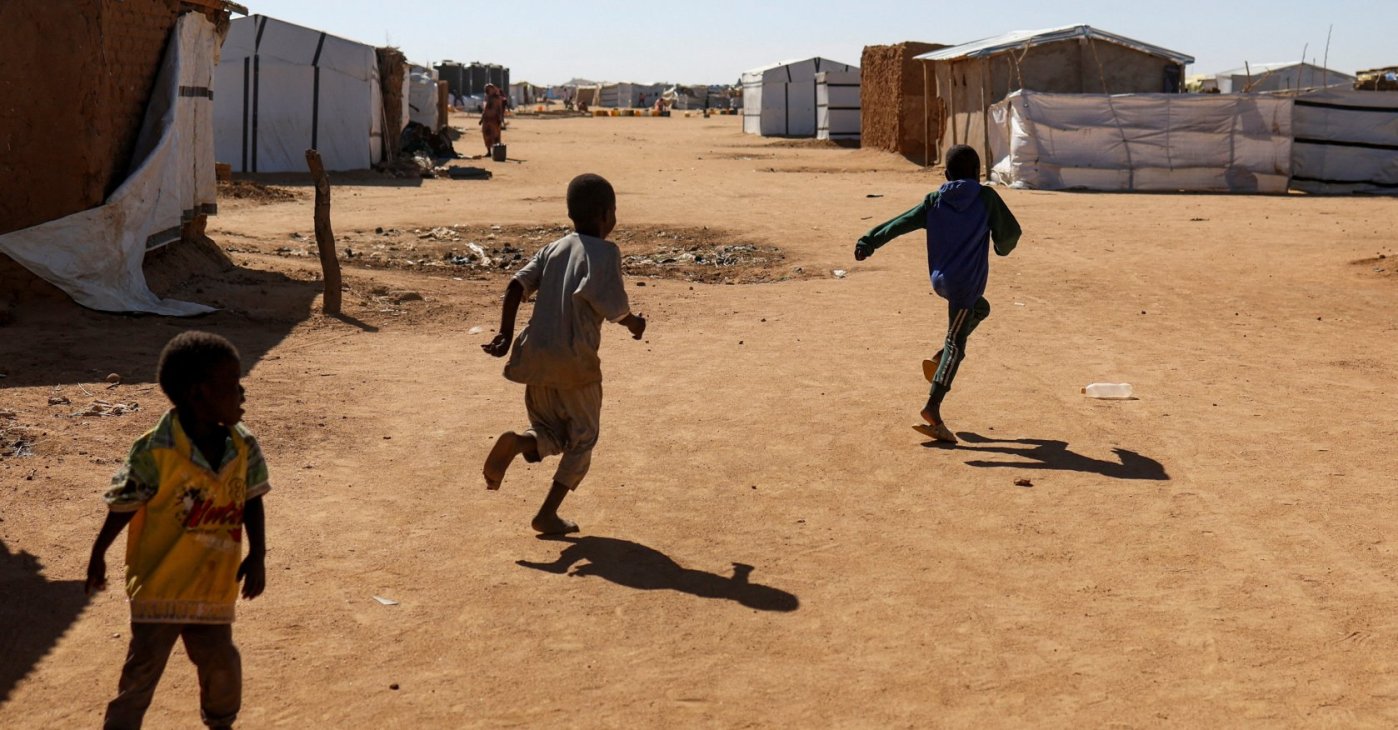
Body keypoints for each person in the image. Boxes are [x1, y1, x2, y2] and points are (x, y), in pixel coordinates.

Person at [85, 331, 270, 729]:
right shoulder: (154, 451)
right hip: (159, 588)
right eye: (232, 384)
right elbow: (124, 504)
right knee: (142, 672)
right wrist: (98, 553)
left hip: (211, 587)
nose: (243, 393)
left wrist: (259, 555)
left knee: (221, 664)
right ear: (200, 395)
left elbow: (252, 499)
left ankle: (222, 722)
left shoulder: (243, 446)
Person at [481, 173, 647, 534]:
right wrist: (635, 325)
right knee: (583, 439)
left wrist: (505, 335)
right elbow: (615, 308)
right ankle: (546, 514)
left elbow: (515, 287)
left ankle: (520, 442)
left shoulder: (553, 249)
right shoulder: (605, 253)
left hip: (536, 361)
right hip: (576, 366)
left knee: (549, 431)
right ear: (606, 216)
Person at [853, 145, 1022, 444]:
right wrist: (999, 247)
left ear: (945, 175)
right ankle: (933, 407)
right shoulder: (985, 197)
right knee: (957, 344)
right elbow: (1010, 234)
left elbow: (900, 222)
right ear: (978, 174)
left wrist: (869, 241)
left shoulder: (935, 200)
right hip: (964, 285)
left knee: (981, 310)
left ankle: (940, 357)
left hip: (942, 281)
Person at [480, 83, 506, 156]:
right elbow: (484, 109)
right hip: (486, 119)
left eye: (490, 89)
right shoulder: (487, 98)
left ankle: (496, 152)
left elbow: (500, 109)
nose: (489, 90)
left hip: (494, 120)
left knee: (495, 136)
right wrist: (481, 119)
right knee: (486, 135)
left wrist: (501, 118)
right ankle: (488, 152)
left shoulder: (497, 98)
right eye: (488, 89)